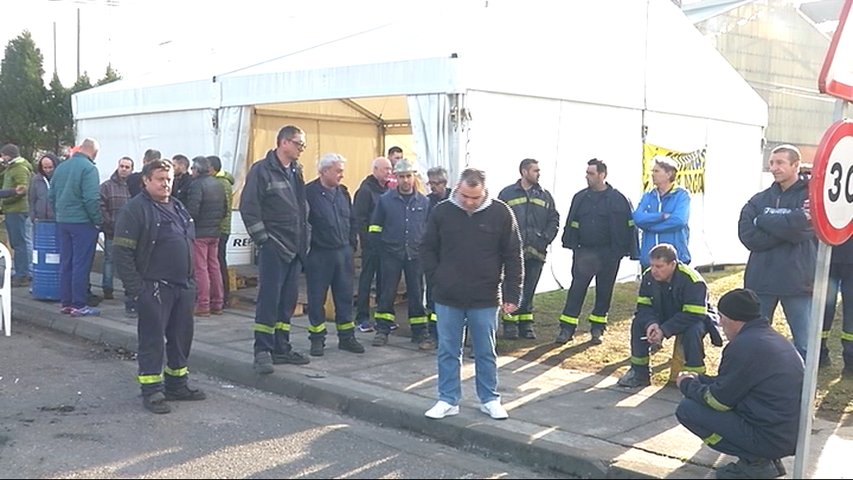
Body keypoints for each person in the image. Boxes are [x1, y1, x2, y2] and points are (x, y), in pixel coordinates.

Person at [421, 168, 523, 420]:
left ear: (484, 192)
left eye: (474, 198)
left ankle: (489, 398)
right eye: (465, 195)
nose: (468, 202)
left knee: (485, 350)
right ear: (457, 187)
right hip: (448, 295)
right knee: (447, 349)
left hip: (485, 296)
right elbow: (427, 248)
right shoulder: (442, 211)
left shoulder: (501, 213)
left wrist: (513, 292)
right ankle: (447, 399)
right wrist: (437, 279)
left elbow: (513, 254)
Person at [675, 288, 803, 479]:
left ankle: (755, 461)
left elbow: (718, 401)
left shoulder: (743, 346)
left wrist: (686, 385)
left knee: (688, 410)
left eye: (721, 317)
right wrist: (699, 379)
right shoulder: (768, 337)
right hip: (785, 431)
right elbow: (734, 384)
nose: (719, 323)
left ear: (734, 319)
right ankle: (762, 460)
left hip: (770, 436)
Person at [113, 159, 206, 414]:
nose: (166, 184)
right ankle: (152, 390)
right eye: (160, 179)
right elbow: (121, 252)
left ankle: (177, 384)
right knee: (153, 340)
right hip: (154, 288)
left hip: (183, 286)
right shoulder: (135, 210)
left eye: (169, 179)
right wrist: (137, 290)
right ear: (145, 180)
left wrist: (192, 282)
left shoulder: (178, 207)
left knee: (180, 338)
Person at [240, 125, 311, 374]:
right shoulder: (262, 171)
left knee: (287, 301)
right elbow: (249, 208)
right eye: (298, 143)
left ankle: (282, 347)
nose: (302, 148)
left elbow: (300, 208)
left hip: (294, 248)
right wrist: (264, 241)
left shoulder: (296, 171)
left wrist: (305, 238)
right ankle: (263, 350)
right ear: (283, 143)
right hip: (274, 247)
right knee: (269, 300)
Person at [737, 144, 816, 359]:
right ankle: (757, 383)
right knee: (754, 340)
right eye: (771, 163)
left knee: (805, 342)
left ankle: (801, 388)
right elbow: (748, 237)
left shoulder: (813, 196)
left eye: (780, 162)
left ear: (796, 165)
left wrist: (762, 220)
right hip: (761, 280)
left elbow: (804, 229)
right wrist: (787, 227)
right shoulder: (758, 199)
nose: (774, 167)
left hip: (797, 281)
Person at [557, 158, 638, 345]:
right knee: (576, 290)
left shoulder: (619, 199)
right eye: (587, 173)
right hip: (584, 252)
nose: (587, 177)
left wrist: (626, 251)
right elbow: (572, 222)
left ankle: (597, 328)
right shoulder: (580, 198)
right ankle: (566, 329)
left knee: (604, 291)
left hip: (609, 254)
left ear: (602, 175)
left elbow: (629, 226)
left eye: (591, 173)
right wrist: (572, 244)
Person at [617, 243, 719, 388]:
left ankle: (695, 377)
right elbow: (644, 307)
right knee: (638, 324)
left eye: (659, 266)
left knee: (693, 331)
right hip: (664, 314)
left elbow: (695, 314)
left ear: (673, 264)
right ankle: (639, 373)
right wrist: (651, 323)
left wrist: (664, 330)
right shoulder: (648, 277)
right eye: (652, 265)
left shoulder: (692, 280)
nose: (654, 271)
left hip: (695, 317)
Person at [304, 153, 364, 356]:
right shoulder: (308, 193)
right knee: (316, 298)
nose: (341, 175)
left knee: (345, 297)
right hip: (320, 255)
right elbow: (304, 223)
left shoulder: (343, 193)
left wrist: (351, 244)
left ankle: (347, 337)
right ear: (324, 171)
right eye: (338, 171)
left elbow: (352, 219)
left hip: (343, 254)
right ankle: (317, 339)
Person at [370, 158, 431, 348]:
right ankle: (382, 330)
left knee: (416, 292)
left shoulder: (424, 201)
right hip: (391, 253)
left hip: (415, 255)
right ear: (396, 177)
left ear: (414, 177)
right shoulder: (385, 200)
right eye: (402, 176)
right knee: (387, 292)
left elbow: (429, 229)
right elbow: (374, 227)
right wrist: (381, 250)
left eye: (408, 176)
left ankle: (419, 332)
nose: (405, 180)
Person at [497, 158, 559, 340]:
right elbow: (499, 220)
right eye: (535, 170)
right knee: (510, 288)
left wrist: (545, 239)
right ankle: (510, 324)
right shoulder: (507, 194)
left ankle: (526, 324)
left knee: (530, 289)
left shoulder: (545, 195)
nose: (538, 174)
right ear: (524, 172)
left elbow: (553, 220)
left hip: (536, 252)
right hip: (513, 253)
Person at [49, 138, 103, 317]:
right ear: (94, 152)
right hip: (82, 222)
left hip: (63, 221)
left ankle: (66, 302)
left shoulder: (61, 167)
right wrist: (97, 219)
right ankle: (79, 305)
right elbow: (91, 199)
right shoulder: (89, 169)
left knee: (66, 262)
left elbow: (52, 196)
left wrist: (60, 215)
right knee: (81, 263)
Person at [352, 156, 392, 332]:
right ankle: (362, 317)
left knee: (385, 281)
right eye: (385, 169)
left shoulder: (389, 191)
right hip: (371, 246)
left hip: (387, 245)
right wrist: (368, 242)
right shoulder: (366, 191)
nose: (389, 173)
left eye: (390, 169)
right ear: (375, 170)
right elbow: (359, 219)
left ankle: (383, 318)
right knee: (367, 281)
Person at [185, 156, 227, 317]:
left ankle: (203, 304)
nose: (191, 172)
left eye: (192, 169)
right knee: (214, 267)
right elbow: (224, 209)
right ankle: (218, 302)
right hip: (215, 231)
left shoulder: (196, 185)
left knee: (201, 268)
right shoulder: (218, 184)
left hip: (200, 232)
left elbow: (193, 210)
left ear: (197, 169)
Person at [632, 156, 691, 268]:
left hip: (674, 259)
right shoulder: (648, 196)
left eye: (657, 171)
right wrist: (661, 216)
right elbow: (637, 218)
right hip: (649, 260)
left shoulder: (681, 195)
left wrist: (649, 226)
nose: (653, 174)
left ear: (669, 174)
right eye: (652, 171)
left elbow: (679, 221)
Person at [98, 156, 133, 303]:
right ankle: (107, 288)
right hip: (112, 229)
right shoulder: (106, 186)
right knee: (109, 260)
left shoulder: (133, 186)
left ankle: (129, 288)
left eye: (127, 167)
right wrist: (109, 221)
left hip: (130, 231)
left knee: (128, 261)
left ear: (131, 169)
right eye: (122, 166)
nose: (124, 169)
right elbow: (100, 205)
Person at [0, 143, 33, 287]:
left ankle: (23, 274)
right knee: (19, 242)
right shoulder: (12, 168)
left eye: (3, 155)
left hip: (17, 210)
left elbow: (22, 189)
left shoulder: (19, 168)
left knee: (19, 242)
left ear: (9, 155)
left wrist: (5, 200)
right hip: (13, 209)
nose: (2, 158)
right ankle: (22, 271)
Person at [819, 237, 853, 376]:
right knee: (823, 312)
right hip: (826, 256)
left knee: (851, 316)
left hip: (835, 256)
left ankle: (850, 363)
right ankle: (819, 355)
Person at [424, 165, 451, 338]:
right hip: (433, 257)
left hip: (450, 256)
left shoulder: (454, 201)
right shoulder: (426, 202)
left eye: (435, 183)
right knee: (432, 294)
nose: (433, 187)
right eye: (430, 183)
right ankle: (433, 333)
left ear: (444, 183)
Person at [208, 155, 234, 308]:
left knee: (219, 261)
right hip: (219, 227)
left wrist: (218, 224)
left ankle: (223, 295)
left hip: (220, 228)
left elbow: (224, 207)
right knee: (217, 261)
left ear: (212, 168)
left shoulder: (222, 183)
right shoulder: (220, 182)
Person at [28, 153, 57, 222]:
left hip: (57, 219)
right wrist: (33, 216)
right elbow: (32, 199)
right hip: (39, 219)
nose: (47, 170)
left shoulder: (61, 179)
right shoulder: (36, 180)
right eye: (45, 168)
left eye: (50, 167)